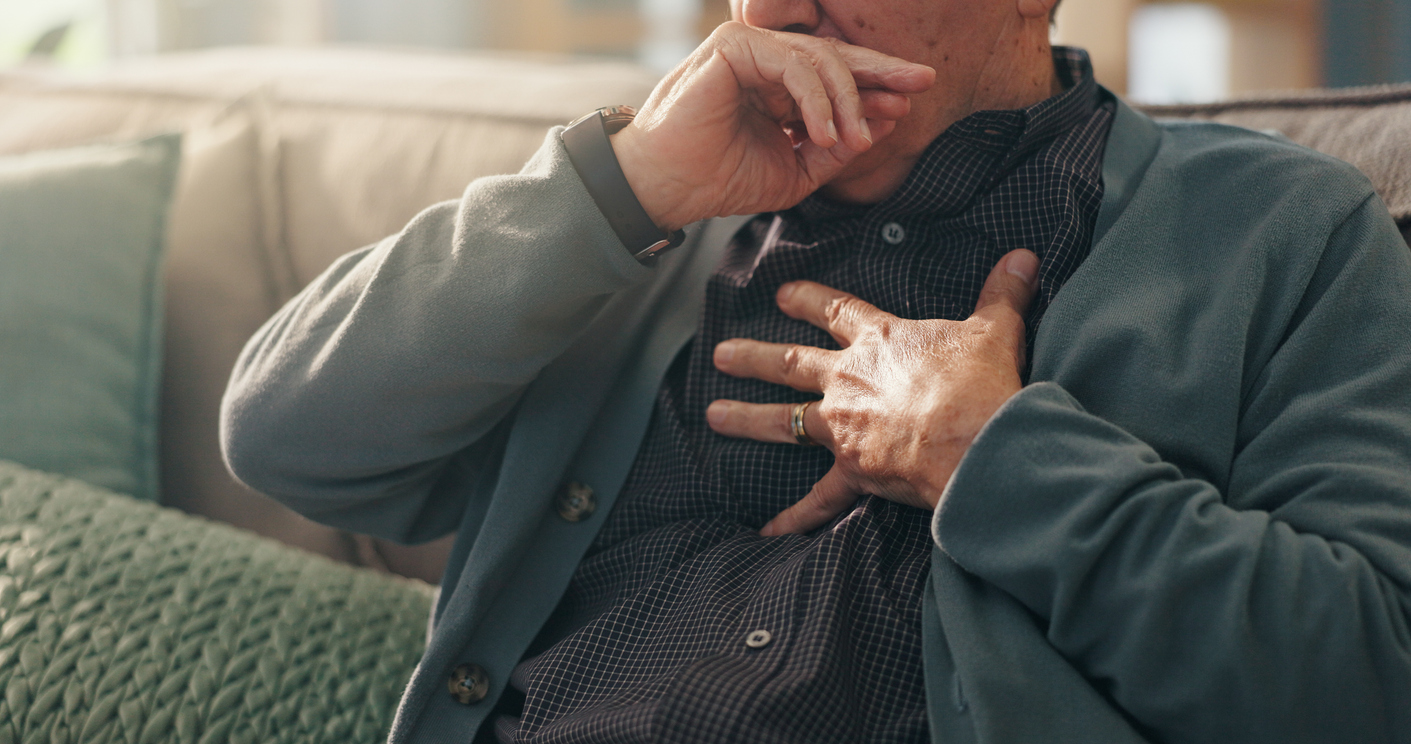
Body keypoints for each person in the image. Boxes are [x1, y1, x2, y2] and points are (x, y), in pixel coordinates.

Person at [220, 0, 1411, 741]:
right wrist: (622, 187)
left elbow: (1367, 684)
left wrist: (990, 458)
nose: (785, 7)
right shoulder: (634, 225)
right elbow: (286, 437)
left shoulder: (1277, 231)